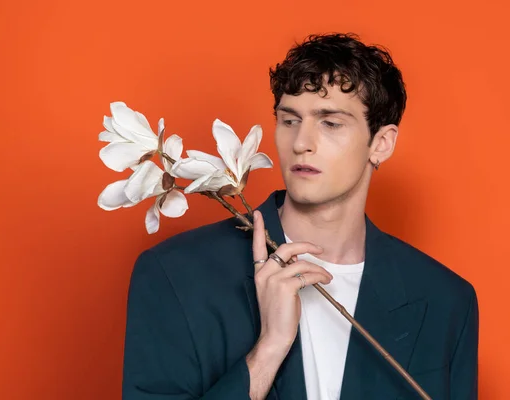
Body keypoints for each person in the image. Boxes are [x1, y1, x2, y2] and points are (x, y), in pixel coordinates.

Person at [121, 33, 478, 400]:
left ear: (381, 143)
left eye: (331, 123)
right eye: (289, 120)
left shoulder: (446, 300)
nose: (301, 142)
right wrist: (269, 350)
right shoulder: (175, 274)